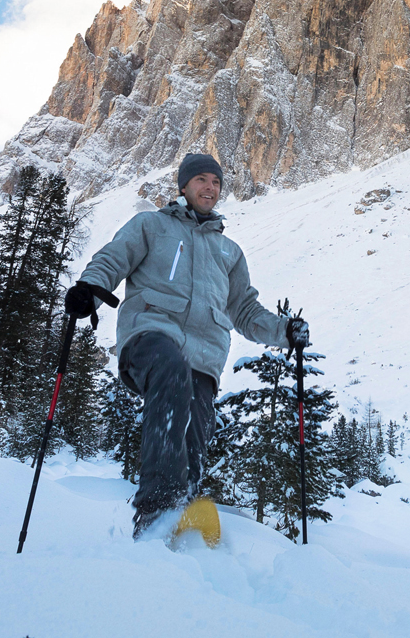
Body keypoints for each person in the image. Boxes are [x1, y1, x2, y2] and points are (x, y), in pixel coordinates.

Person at [64, 152, 309, 538]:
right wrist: (90, 290)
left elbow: (244, 309)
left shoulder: (229, 252)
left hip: (204, 357)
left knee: (195, 432)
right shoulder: (152, 226)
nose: (209, 188)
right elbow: (114, 258)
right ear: (183, 185)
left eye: (216, 182)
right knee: (171, 371)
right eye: (201, 180)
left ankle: (178, 528)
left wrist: (284, 332)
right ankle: (157, 508)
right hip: (150, 334)